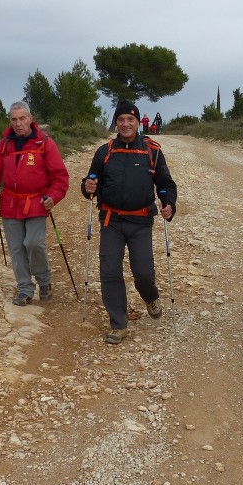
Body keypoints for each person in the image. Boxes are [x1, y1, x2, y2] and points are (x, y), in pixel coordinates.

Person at [82, 100, 177, 344]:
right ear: (115, 122)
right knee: (110, 271)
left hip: (141, 221)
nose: (125, 124)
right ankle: (118, 323)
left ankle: (150, 297)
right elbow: (91, 182)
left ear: (137, 123)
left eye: (130, 119)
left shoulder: (152, 151)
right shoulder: (105, 152)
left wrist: (169, 204)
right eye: (121, 119)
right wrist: (87, 186)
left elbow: (165, 184)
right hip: (111, 220)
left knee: (143, 273)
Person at [0, 101, 70, 306]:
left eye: (22, 118)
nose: (18, 123)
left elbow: (60, 177)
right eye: (14, 119)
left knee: (33, 243)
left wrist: (53, 196)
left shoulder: (45, 143)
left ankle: (44, 281)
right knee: (16, 248)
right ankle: (24, 288)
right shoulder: (4, 145)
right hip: (10, 203)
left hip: (37, 202)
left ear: (30, 119)